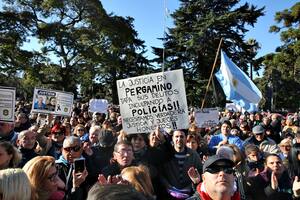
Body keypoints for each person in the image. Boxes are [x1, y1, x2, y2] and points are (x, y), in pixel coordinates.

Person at [160, 129, 202, 199]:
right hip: (168, 194)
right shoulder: (165, 154)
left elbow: (200, 171)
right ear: (172, 139)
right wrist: (168, 186)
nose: (179, 139)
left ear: (186, 139)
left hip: (189, 193)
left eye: (181, 137)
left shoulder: (194, 155)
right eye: (176, 137)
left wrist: (193, 183)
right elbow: (160, 173)